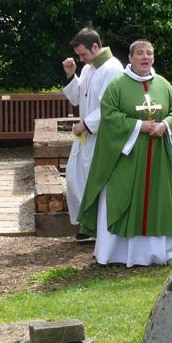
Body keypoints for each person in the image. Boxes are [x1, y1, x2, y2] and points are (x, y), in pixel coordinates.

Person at [78, 40, 172, 266]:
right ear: (130, 57)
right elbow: (109, 116)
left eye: (150, 53)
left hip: (158, 158)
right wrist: (138, 126)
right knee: (122, 196)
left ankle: (163, 252)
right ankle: (118, 253)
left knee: (158, 200)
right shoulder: (117, 86)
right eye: (140, 53)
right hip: (127, 156)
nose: (146, 57)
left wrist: (165, 125)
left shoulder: (164, 85)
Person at [60, 28, 123, 234]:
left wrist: (86, 124)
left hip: (102, 135)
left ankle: (97, 228)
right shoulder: (89, 68)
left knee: (96, 182)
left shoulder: (113, 68)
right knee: (75, 177)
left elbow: (110, 106)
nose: (81, 59)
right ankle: (87, 224)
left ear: (95, 47)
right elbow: (79, 97)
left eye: (83, 54)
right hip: (86, 135)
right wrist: (71, 75)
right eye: (79, 55)